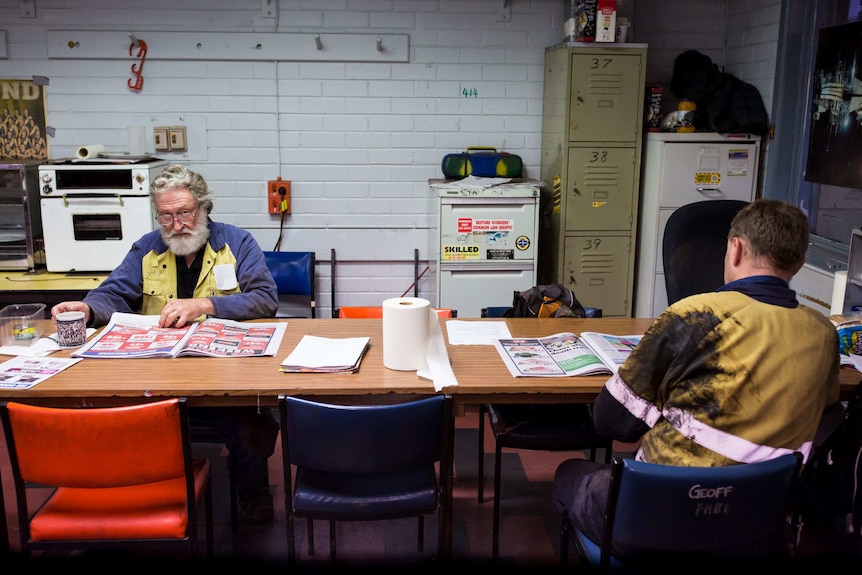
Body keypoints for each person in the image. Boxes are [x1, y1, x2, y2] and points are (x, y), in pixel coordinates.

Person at [552, 198, 840, 556]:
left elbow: (612, 421)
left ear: (735, 249)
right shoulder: (823, 334)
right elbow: (825, 408)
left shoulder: (694, 314)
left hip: (660, 516)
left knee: (568, 475)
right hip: (755, 523)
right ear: (798, 262)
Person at [51, 164, 280, 525]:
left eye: (185, 213)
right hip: (157, 374)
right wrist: (87, 307)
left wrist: (205, 305)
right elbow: (113, 293)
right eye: (167, 216)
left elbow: (265, 299)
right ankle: (131, 493)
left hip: (222, 376)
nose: (177, 225)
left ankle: (252, 490)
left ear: (204, 208)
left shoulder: (237, 242)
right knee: (110, 420)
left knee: (250, 427)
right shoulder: (147, 246)